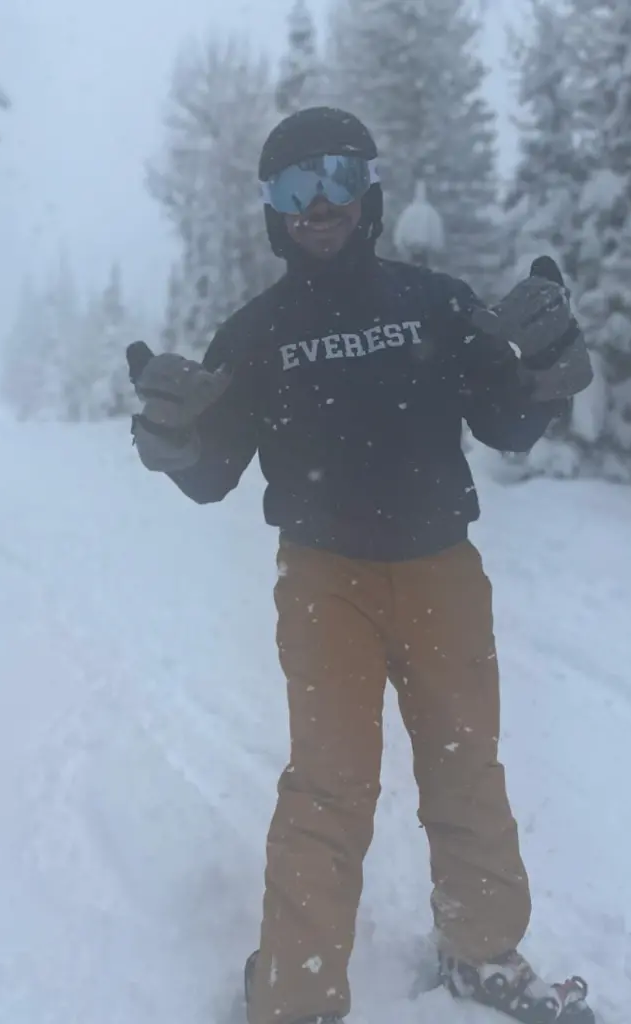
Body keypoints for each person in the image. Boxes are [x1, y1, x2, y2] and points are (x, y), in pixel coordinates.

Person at [126, 108, 595, 1024]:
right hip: (323, 581)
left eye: (336, 177)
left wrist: (541, 374)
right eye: (294, 189)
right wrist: (177, 446)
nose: (319, 204)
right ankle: (296, 995)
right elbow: (214, 471)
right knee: (330, 781)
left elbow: (507, 424)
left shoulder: (436, 303)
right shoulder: (258, 332)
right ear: (272, 211)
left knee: (466, 767)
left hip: (442, 575)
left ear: (369, 188)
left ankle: (483, 950)